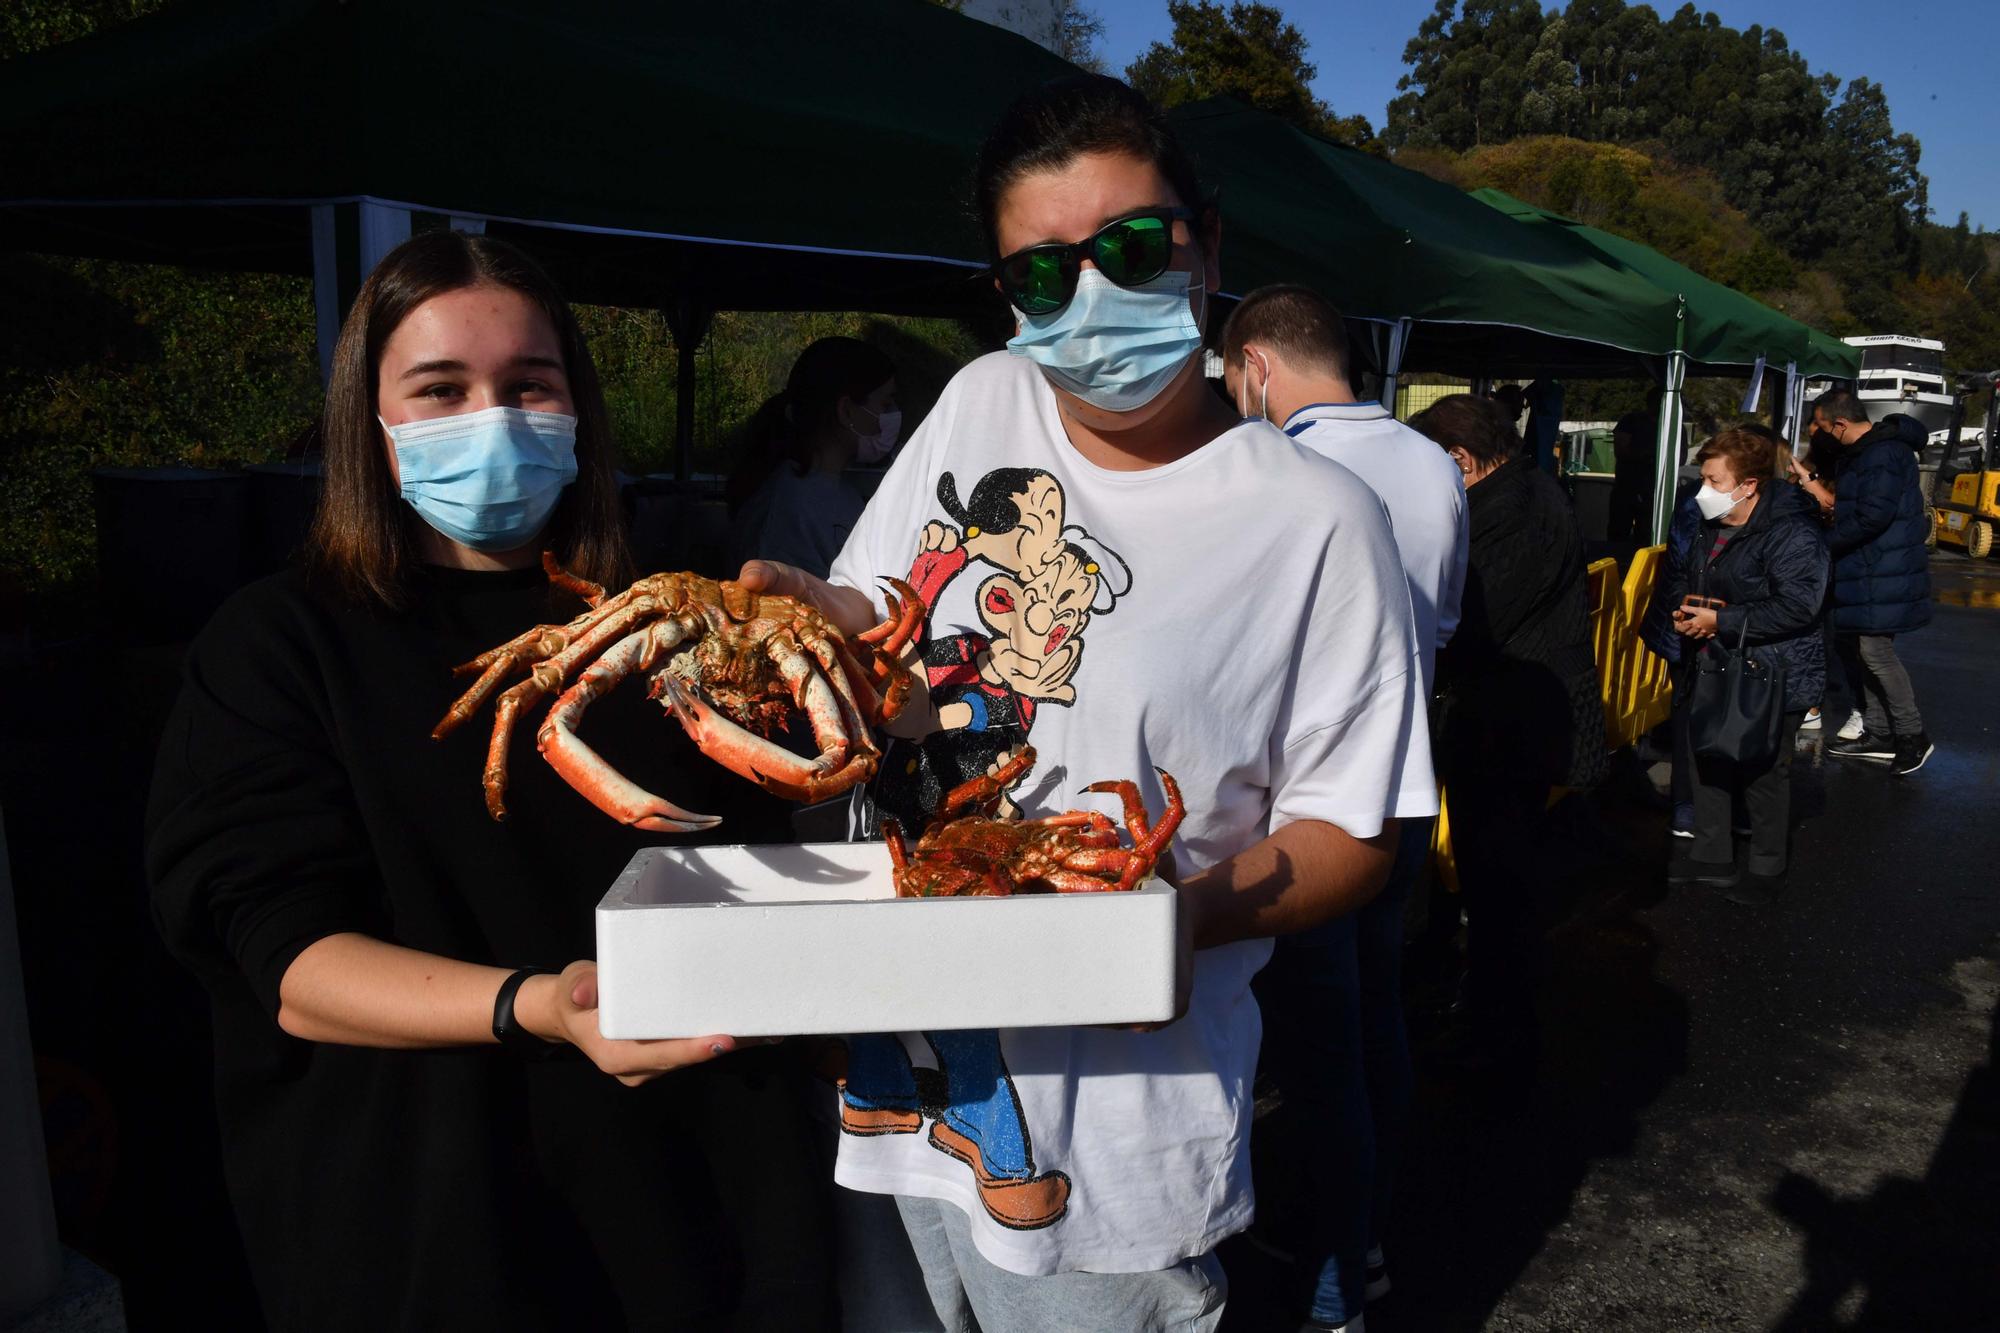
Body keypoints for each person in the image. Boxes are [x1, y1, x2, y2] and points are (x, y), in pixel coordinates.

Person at [739, 74, 1433, 1333]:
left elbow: (1353, 833)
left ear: (1204, 242)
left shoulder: (1318, 520)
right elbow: (879, 616)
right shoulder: (980, 400)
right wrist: (803, 611)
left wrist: (1178, 919)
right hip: (898, 1084)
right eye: (1041, 274)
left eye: (1128, 246)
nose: (1090, 296)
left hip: (1114, 1134)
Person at [146, 231, 831, 1330]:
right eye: (441, 389)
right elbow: (280, 956)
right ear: (370, 421)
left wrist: (840, 645)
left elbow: (800, 831)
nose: (494, 417)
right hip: (434, 1225)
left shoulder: (680, 610)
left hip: (706, 1205)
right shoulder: (277, 646)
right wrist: (541, 1006)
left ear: (578, 406)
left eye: (528, 384)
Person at [1220, 283, 1467, 1326]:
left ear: (1258, 369)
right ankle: (1360, 1238)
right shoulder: (1428, 462)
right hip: (1405, 776)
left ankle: (1331, 1268)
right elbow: (1442, 625)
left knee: (1315, 1047)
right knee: (1375, 1021)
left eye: (1231, 380)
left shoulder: (1274, 468)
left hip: (1308, 797)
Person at [1409, 394, 1606, 1067]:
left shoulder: (1512, 513)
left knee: (1499, 881)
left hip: (1509, 726)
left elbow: (1471, 623)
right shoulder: (1527, 491)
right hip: (1519, 718)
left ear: (1461, 461)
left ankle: (1497, 1031)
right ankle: (1496, 1011)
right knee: (1501, 879)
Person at [1658, 427, 1828, 906]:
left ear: (1748, 484)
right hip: (1714, 661)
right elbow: (1687, 574)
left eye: (1713, 480)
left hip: (1772, 669)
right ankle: (1712, 857)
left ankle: (1767, 867)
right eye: (1703, 479)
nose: (1703, 490)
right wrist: (1687, 611)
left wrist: (1722, 620)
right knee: (1705, 754)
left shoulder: (1792, 531)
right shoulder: (1713, 523)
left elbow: (1798, 606)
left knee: (1762, 766)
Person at [1796, 392, 1934, 774]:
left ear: (1839, 425)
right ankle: (1879, 732)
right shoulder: (1869, 452)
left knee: (1876, 653)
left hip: (1880, 568)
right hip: (1868, 567)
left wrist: (1824, 545)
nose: (1823, 436)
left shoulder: (1881, 453)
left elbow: (1873, 516)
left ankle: (1912, 736)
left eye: (1823, 428)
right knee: (1860, 649)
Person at [726, 336, 899, 578]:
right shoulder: (785, 507)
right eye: (885, 404)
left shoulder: (842, 493)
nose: (892, 416)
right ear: (846, 410)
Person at [1610, 389, 1664, 543]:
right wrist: (1645, 455)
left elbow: (1680, 456)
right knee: (1617, 533)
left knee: (1646, 536)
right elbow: (1620, 450)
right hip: (1625, 489)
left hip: (1654, 494)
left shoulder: (1670, 424)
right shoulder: (1631, 420)